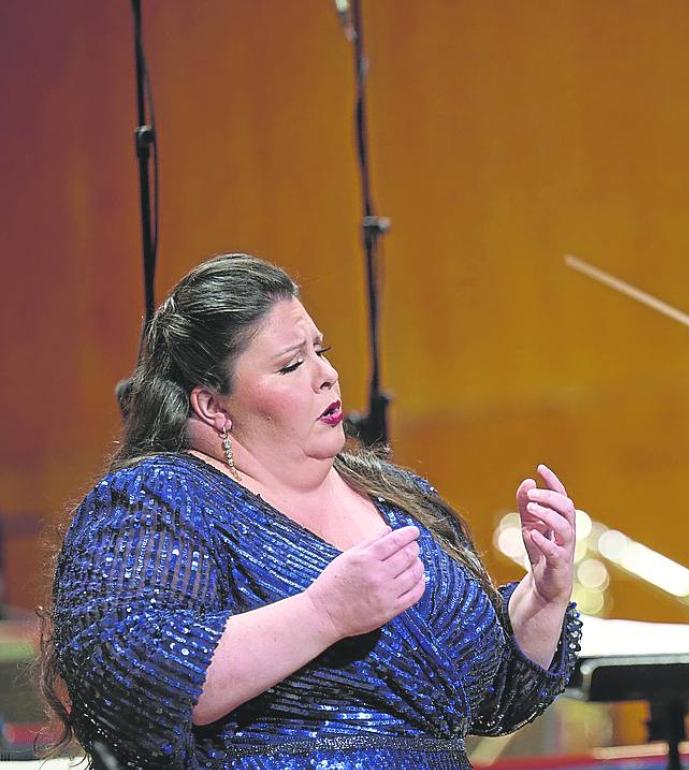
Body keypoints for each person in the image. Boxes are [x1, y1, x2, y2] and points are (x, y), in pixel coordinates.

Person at [40, 253, 582, 769]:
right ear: (211, 404)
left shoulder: (397, 497)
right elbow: (135, 678)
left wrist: (545, 594)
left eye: (320, 351)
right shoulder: (158, 498)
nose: (325, 374)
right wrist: (323, 614)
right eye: (291, 365)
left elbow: (496, 703)